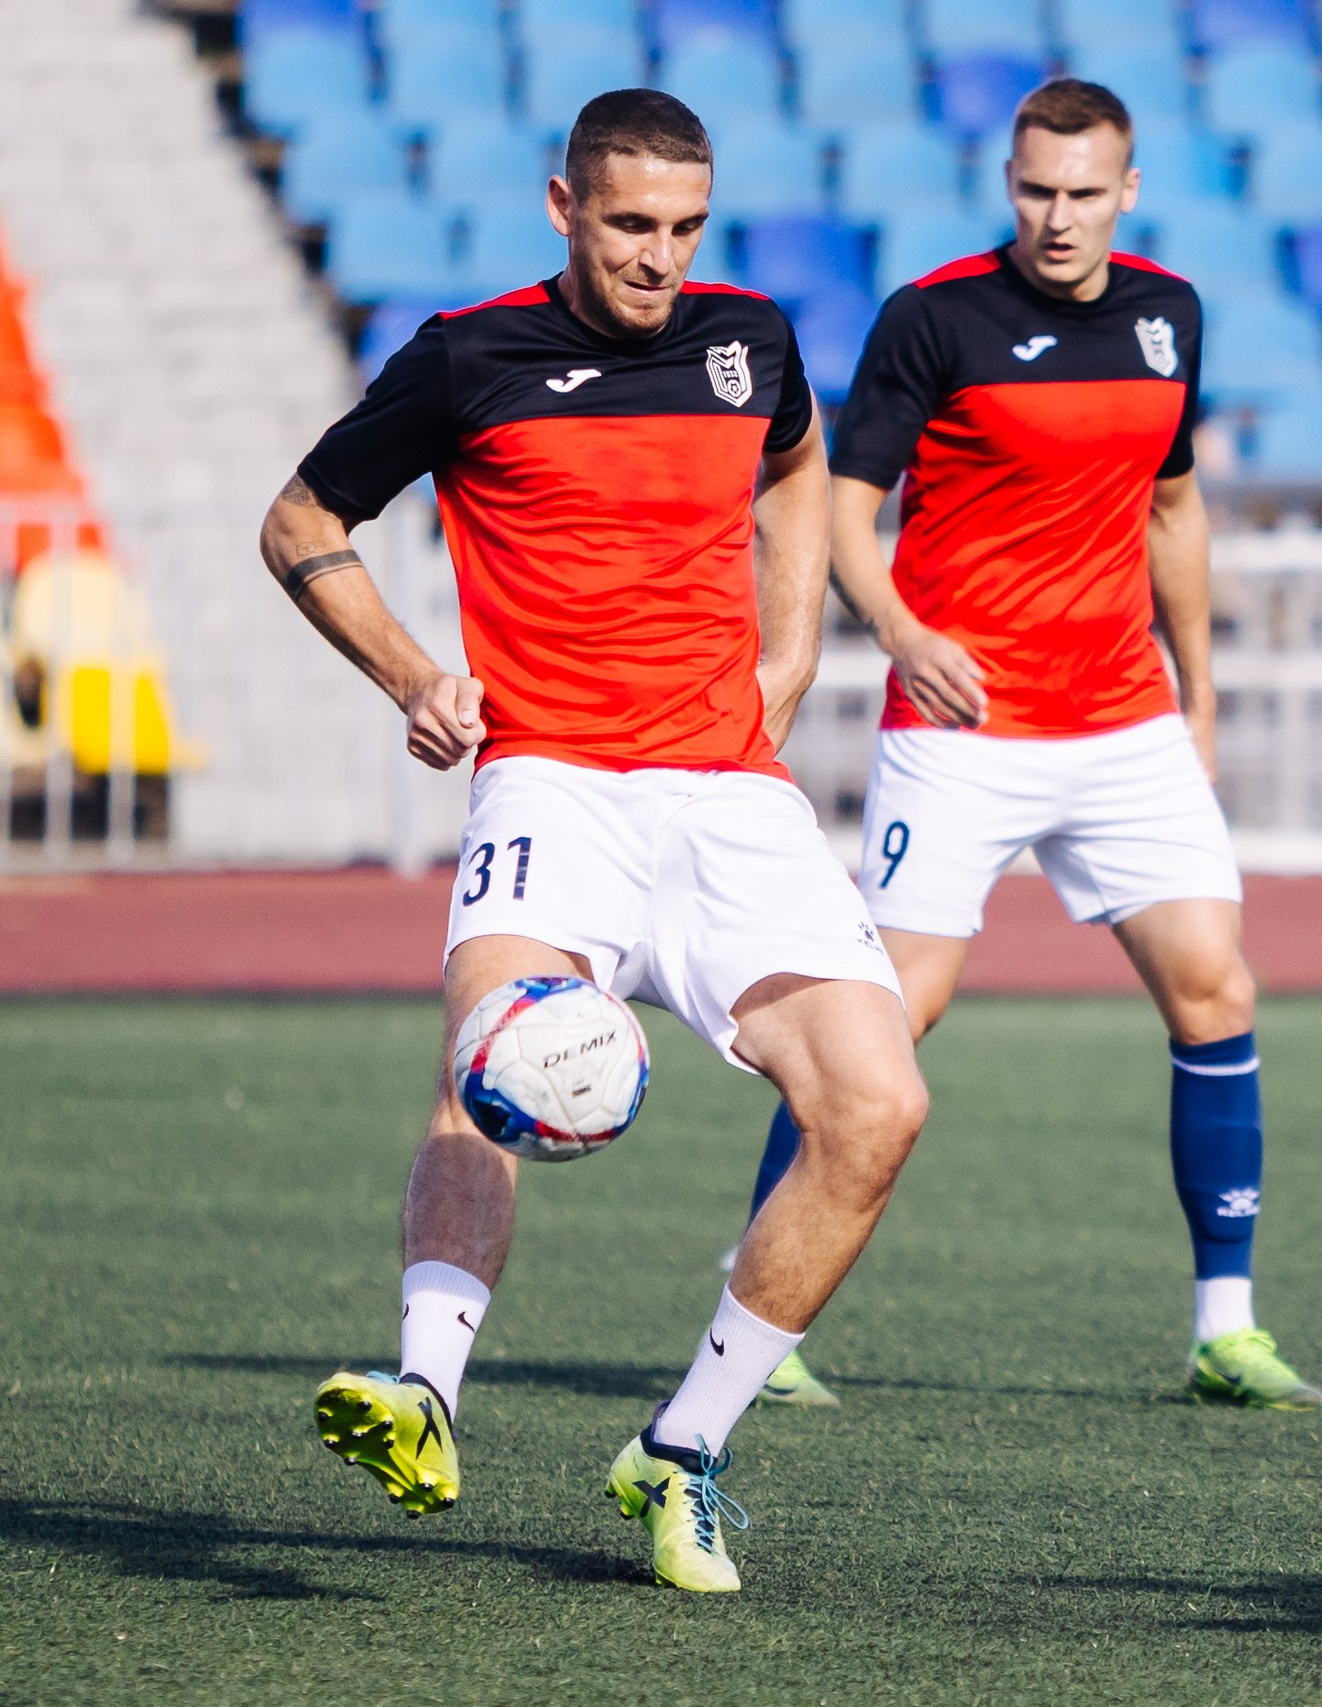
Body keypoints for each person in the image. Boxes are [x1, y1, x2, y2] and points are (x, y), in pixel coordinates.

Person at [262, 90, 929, 1594]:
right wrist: (412, 674)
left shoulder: (749, 337)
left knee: (881, 1109)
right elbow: (301, 521)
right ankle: (426, 1392)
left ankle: (680, 1453)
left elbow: (795, 462)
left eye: (686, 229)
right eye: (632, 225)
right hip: (551, 778)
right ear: (563, 205)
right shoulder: (465, 356)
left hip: (730, 791)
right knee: (483, 1054)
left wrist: (793, 636)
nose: (660, 258)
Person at [731, 78, 1322, 1412]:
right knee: (890, 1019)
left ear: (1128, 192)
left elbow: (1173, 511)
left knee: (1217, 992)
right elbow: (840, 507)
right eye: (1033, 190)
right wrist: (900, 631)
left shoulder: (1170, 317)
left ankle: (1226, 1325)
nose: (1056, 217)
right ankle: (763, 1302)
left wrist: (1201, 689)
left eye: (1081, 193)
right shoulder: (937, 318)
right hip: (963, 726)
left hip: (1122, 717)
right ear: (1011, 184)